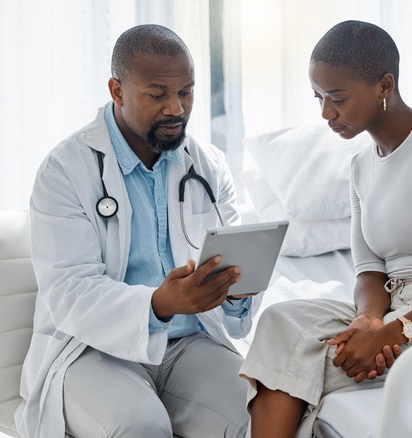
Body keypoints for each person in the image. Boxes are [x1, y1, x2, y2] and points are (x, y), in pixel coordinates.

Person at [239, 20, 412, 437]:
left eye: (337, 98)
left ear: (384, 85)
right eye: (318, 98)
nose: (325, 113)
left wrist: (398, 331)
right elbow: (369, 269)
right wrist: (370, 321)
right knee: (281, 323)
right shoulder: (360, 166)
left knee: (303, 364)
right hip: (394, 307)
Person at [15, 24, 259, 438]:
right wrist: (158, 304)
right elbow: (70, 292)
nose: (176, 109)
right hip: (93, 350)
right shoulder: (65, 171)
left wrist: (234, 293)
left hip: (188, 345)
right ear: (117, 90)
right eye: (158, 93)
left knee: (261, 415)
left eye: (186, 92)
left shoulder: (208, 164)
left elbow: (233, 301)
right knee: (140, 425)